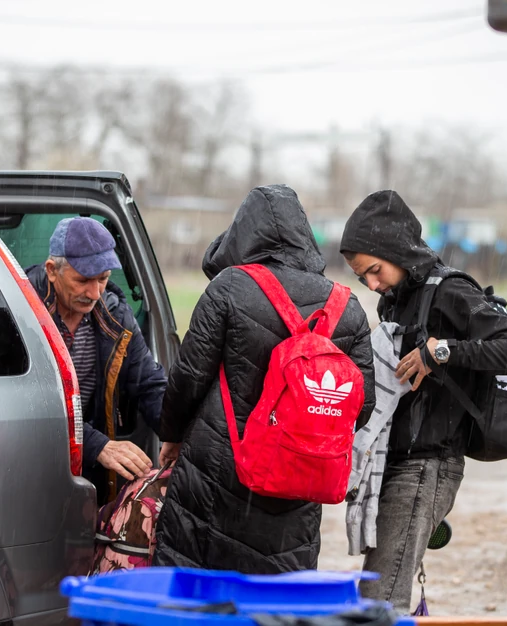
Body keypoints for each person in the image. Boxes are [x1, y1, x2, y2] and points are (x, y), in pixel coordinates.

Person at [152, 184, 376, 574]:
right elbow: (364, 405)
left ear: (244, 233)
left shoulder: (229, 287)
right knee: (278, 599)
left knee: (198, 594)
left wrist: (171, 435)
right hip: (298, 480)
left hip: (218, 472)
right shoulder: (348, 307)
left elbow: (188, 377)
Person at [339, 190, 507, 612]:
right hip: (397, 463)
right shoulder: (396, 299)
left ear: (394, 251)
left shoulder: (451, 290)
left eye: (374, 270)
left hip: (428, 466)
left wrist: (441, 352)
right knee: (377, 594)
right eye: (361, 276)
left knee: (380, 602)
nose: (370, 283)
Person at [26, 217, 167, 503]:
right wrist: (96, 444)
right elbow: (26, 402)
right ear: (52, 271)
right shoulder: (20, 312)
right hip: (30, 463)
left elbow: (149, 384)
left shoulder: (115, 316)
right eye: (83, 280)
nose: (95, 293)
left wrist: (176, 433)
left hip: (88, 470)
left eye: (102, 278)